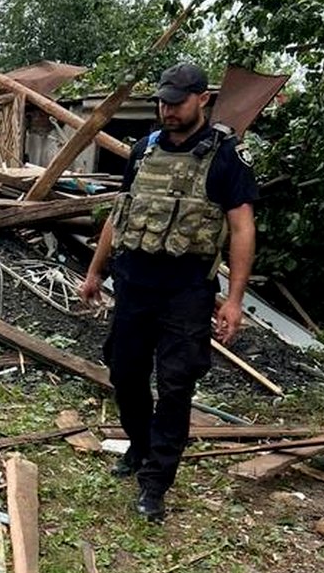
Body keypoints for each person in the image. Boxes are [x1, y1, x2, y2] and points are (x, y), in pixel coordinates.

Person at [80, 62, 258, 522]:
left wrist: (234, 300)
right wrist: (95, 271)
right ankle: (140, 446)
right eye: (163, 102)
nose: (168, 110)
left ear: (202, 99)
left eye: (177, 103)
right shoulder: (144, 150)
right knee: (125, 374)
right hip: (134, 286)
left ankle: (156, 482)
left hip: (186, 293)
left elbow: (242, 229)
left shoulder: (224, 157)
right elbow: (119, 215)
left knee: (176, 387)